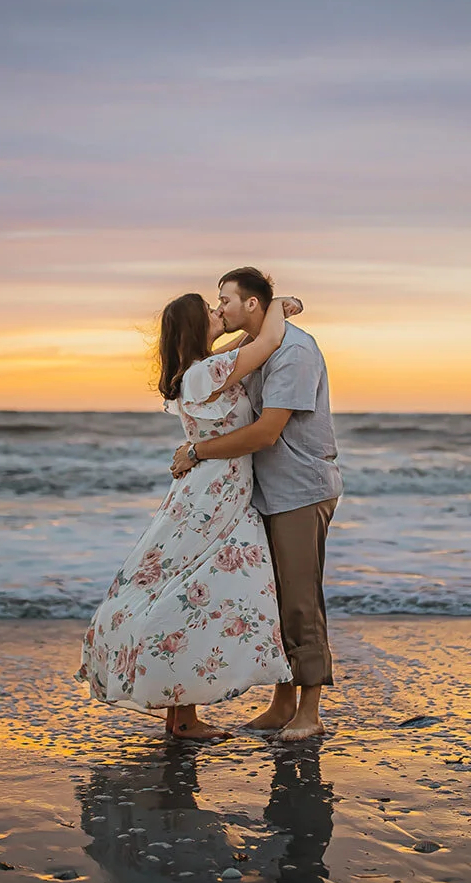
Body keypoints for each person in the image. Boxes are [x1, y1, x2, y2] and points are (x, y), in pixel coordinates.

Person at [77, 290, 302, 739]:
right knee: (196, 591)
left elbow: (241, 351)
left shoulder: (200, 371)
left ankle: (182, 717)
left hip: (214, 491)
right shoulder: (206, 372)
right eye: (212, 312)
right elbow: (268, 342)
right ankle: (182, 717)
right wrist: (278, 306)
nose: (220, 313)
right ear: (194, 329)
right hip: (213, 495)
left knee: (195, 589)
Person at [171, 267, 342, 741]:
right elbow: (214, 365)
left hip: (298, 489)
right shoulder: (255, 347)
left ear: (250, 304)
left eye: (224, 299)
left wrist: (197, 452)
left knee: (301, 599)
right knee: (274, 599)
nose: (219, 308)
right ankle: (282, 702)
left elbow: (267, 433)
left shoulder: (295, 351)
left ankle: (309, 709)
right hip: (262, 493)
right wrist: (278, 307)